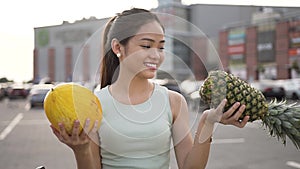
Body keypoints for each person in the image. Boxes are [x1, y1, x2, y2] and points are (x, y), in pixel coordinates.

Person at [51, 8, 249, 169]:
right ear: (118, 48)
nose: (156, 55)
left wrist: (207, 121)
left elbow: (190, 167)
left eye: (161, 47)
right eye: (146, 46)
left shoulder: (173, 101)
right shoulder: (95, 104)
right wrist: (81, 150)